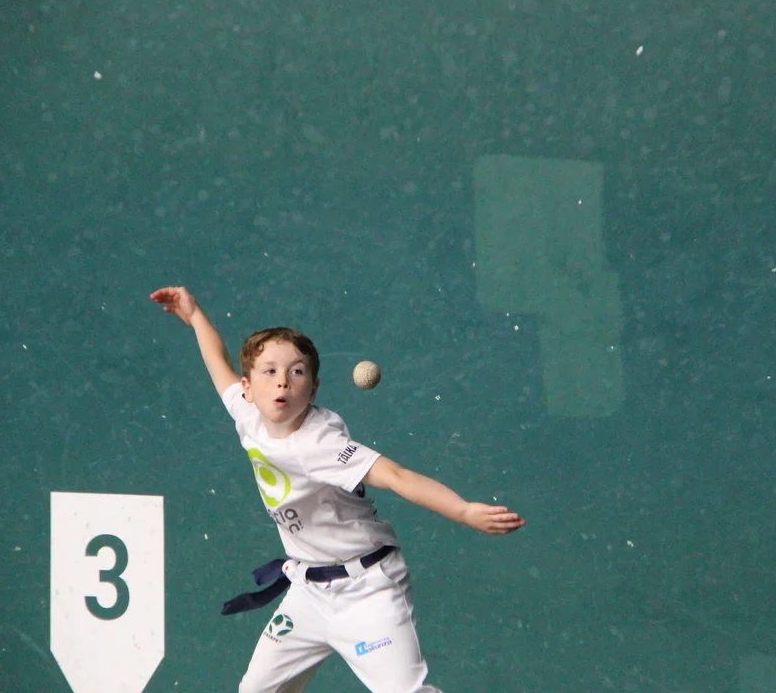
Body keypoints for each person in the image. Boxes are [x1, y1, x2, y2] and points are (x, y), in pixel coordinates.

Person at [149, 286, 525, 693]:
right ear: (248, 388)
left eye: (296, 372)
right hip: (307, 591)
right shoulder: (248, 416)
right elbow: (218, 365)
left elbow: (396, 476)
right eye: (269, 372)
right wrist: (195, 316)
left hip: (366, 590)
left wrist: (464, 511)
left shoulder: (321, 443)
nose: (282, 382)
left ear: (312, 389)